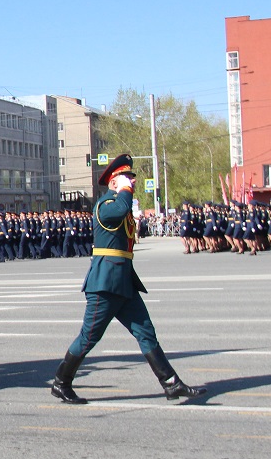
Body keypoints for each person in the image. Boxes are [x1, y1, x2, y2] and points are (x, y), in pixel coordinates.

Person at [49, 154, 204, 405]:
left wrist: (125, 190)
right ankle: (61, 383)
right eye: (126, 179)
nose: (131, 182)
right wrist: (123, 191)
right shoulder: (106, 204)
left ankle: (171, 384)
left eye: (131, 178)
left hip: (124, 281)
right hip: (105, 284)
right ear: (113, 183)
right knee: (89, 337)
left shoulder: (118, 203)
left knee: (146, 332)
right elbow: (121, 209)